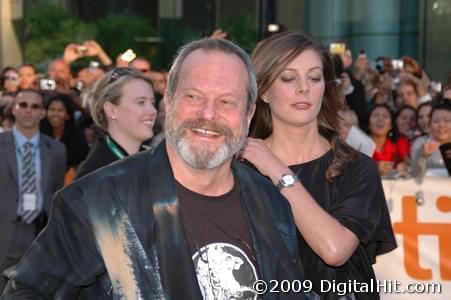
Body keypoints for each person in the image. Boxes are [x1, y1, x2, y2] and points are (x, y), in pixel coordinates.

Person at [2, 38, 308, 299]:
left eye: (227, 101)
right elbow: (27, 292)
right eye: (193, 96)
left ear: (249, 113)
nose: (208, 114)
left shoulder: (272, 203)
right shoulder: (95, 203)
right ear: (170, 102)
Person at [242, 31, 396, 299]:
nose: (304, 88)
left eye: (314, 78)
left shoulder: (356, 167)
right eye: (289, 78)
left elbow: (334, 250)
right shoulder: (240, 168)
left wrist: (276, 169)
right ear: (263, 91)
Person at [0, 90, 66, 291]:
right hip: (4, 230)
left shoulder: (56, 149)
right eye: (23, 105)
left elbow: (57, 191)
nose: (29, 110)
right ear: (14, 110)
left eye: (35, 106)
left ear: (43, 113)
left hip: (39, 232)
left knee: (34, 291)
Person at [74, 67, 157, 179]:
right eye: (141, 102)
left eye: (152, 102)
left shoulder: (155, 162)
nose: (153, 110)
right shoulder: (93, 177)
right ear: (111, 110)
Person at [40, 94, 89, 173]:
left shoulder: (77, 139)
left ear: (67, 115)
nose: (55, 114)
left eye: (60, 110)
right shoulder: (38, 136)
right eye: (52, 110)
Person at [411, 100, 451, 179]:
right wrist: (422, 155)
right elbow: (415, 174)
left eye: (447, 121)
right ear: (430, 124)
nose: (441, 125)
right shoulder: (421, 143)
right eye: (436, 121)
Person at [368, 104, 410, 175]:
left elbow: (410, 166)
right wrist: (375, 167)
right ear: (368, 124)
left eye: (385, 116)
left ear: (391, 125)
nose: (380, 119)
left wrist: (405, 167)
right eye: (375, 116)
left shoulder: (400, 142)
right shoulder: (359, 144)